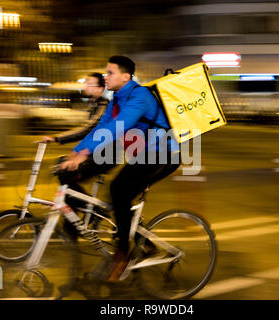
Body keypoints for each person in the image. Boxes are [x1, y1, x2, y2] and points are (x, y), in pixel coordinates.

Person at [45, 56, 180, 282]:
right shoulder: (117, 99)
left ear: (126, 77)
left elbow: (119, 127)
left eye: (110, 72)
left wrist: (84, 154)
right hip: (144, 154)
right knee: (120, 197)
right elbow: (102, 128)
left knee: (119, 190)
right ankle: (143, 243)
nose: (105, 76)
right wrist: (77, 153)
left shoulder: (140, 96)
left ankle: (122, 255)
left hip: (164, 153)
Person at [42, 73, 109, 144]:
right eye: (86, 83)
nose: (86, 87)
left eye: (90, 84)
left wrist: (57, 138)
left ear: (100, 89)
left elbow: (88, 128)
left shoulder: (103, 105)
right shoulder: (95, 104)